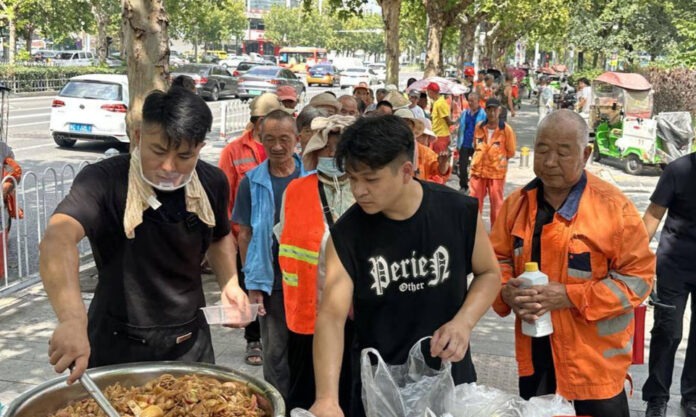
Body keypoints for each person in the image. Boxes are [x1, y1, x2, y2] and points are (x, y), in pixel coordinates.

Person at [40, 86, 249, 383]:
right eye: (158, 151)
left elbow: (219, 236)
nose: (168, 167)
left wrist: (230, 284)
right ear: (138, 137)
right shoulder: (103, 181)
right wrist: (72, 319)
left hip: (189, 341)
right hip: (117, 341)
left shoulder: (212, 182)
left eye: (183, 156)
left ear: (200, 148)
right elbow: (57, 239)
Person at [308, 115, 502, 417]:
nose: (359, 191)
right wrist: (326, 398)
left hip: (450, 375)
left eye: (370, 179)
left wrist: (464, 322)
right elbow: (331, 317)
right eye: (352, 179)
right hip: (379, 385)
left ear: (407, 171)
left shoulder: (457, 212)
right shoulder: (346, 235)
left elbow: (489, 273)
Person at [490, 109, 655, 417]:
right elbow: (496, 259)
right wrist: (505, 291)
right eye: (542, 150)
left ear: (586, 153)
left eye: (563, 153)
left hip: (594, 366)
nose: (550, 162)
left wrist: (568, 296)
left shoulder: (613, 209)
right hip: (536, 357)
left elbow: (638, 279)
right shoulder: (517, 205)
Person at [277, 115, 356, 411]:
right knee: (305, 391)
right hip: (306, 313)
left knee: (352, 390)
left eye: (339, 151)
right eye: (326, 150)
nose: (332, 156)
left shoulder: (365, 190)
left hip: (355, 315)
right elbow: (283, 241)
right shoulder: (295, 190)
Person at [232, 109, 308, 399]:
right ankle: (278, 404)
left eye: (284, 139)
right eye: (270, 139)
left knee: (307, 346)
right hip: (271, 278)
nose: (277, 146)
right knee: (275, 352)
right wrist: (250, 281)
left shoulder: (310, 178)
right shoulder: (251, 181)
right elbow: (246, 233)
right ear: (260, 140)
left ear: (297, 140)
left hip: (306, 279)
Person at [219, 93, 289, 366]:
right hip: (244, 235)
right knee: (254, 293)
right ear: (258, 122)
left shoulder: (288, 157)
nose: (277, 144)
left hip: (281, 248)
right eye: (269, 133)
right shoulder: (235, 150)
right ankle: (253, 340)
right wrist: (229, 238)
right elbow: (225, 195)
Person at [642, 152, 696, 417]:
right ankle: (656, 397)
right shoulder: (678, 170)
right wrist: (635, 261)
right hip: (674, 265)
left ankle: (692, 396)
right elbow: (653, 215)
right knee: (667, 331)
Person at [469, 98, 516, 227]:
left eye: (494, 109)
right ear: (486, 111)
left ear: (499, 111)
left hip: (496, 173)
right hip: (478, 171)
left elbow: (511, 151)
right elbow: (475, 145)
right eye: (489, 109)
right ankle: (474, 231)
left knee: (497, 205)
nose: (492, 113)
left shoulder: (506, 130)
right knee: (474, 203)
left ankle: (496, 235)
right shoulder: (479, 126)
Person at [394, 108, 451, 184]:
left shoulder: (424, 152)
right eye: (401, 125)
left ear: (413, 129)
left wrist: (443, 164)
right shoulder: (385, 149)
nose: (404, 130)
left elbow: (440, 171)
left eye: (408, 125)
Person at [457, 91, 486, 192]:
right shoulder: (465, 113)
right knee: (463, 166)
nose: (470, 103)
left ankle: (475, 186)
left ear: (478, 102)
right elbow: (460, 129)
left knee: (476, 167)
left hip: (477, 144)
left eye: (472, 101)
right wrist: (458, 143)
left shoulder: (483, 114)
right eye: (469, 101)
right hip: (465, 143)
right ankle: (463, 185)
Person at [427, 82, 456, 153]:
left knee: (439, 160)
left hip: (441, 136)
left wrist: (456, 122)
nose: (427, 94)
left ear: (431, 92)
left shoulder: (440, 103)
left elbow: (448, 122)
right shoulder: (437, 103)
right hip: (438, 135)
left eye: (428, 92)